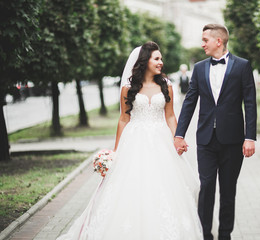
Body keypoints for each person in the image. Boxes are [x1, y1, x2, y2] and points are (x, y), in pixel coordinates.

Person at [57, 41, 203, 240]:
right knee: (130, 186)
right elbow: (124, 118)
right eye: (157, 58)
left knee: (164, 187)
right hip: (135, 141)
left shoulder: (166, 85)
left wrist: (177, 138)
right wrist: (116, 152)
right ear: (145, 61)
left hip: (161, 141)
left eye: (161, 58)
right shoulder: (128, 88)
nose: (161, 62)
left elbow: (170, 116)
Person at [174, 24, 257, 240]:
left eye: (205, 40)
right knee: (206, 187)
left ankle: (225, 235)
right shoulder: (200, 68)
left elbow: (250, 103)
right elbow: (190, 102)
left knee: (228, 191)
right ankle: (205, 235)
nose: (202, 44)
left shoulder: (242, 66)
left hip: (233, 140)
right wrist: (179, 134)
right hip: (205, 140)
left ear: (218, 41)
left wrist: (250, 137)